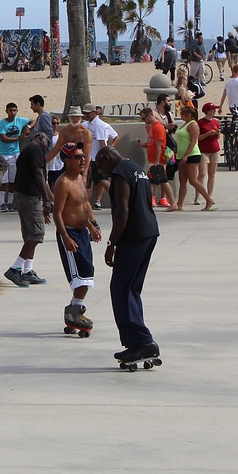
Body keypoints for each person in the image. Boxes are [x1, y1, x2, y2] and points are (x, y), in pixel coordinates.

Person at [95, 145, 161, 365]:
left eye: (100, 165)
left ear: (106, 158)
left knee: (121, 288)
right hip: (149, 232)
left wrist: (112, 243)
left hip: (133, 236)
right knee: (132, 288)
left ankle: (143, 341)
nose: (101, 171)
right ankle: (137, 343)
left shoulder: (120, 172)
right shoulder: (135, 168)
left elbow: (123, 210)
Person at [53, 141, 102, 334]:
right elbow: (58, 213)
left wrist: (91, 226)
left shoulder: (81, 179)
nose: (82, 160)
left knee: (88, 272)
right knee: (81, 276)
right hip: (70, 233)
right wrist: (65, 237)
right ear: (66, 160)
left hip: (82, 232)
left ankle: (74, 311)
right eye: (77, 157)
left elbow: (84, 205)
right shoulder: (63, 183)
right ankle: (74, 311)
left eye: (83, 156)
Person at [4, 131, 52, 287]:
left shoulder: (27, 149)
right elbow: (38, 173)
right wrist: (46, 200)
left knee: (30, 234)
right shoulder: (36, 149)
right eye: (47, 144)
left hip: (22, 195)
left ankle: (28, 270)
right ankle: (15, 268)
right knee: (37, 234)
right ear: (41, 138)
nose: (46, 148)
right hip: (30, 197)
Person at [173, 106, 214, 211]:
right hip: (181, 155)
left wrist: (186, 155)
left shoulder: (193, 124)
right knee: (182, 181)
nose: (181, 116)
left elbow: (193, 141)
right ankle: (180, 204)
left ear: (189, 115)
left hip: (191, 155)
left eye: (183, 114)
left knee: (193, 180)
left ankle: (208, 200)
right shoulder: (184, 124)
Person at [81, 104, 119, 209]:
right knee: (94, 181)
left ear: (94, 113)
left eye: (87, 113)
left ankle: (118, 196)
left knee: (98, 181)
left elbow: (103, 144)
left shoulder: (98, 125)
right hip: (92, 158)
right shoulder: (88, 124)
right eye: (84, 113)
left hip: (96, 159)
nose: (86, 115)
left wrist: (104, 159)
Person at [137, 106, 176, 209]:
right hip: (154, 159)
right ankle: (150, 202)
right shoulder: (153, 127)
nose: (144, 121)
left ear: (149, 116)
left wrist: (156, 161)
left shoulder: (157, 127)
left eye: (144, 118)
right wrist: (143, 145)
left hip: (157, 160)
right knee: (154, 182)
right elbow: (152, 143)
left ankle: (172, 203)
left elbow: (159, 145)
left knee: (162, 181)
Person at [0, 102, 30, 212]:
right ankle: (2, 203)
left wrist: (28, 127)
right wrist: (18, 138)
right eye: (11, 110)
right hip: (3, 154)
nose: (13, 113)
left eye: (15, 110)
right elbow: (3, 138)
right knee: (3, 180)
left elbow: (34, 120)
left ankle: (10, 203)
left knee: (13, 180)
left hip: (15, 154)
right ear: (6, 111)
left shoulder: (20, 120)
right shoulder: (2, 123)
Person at [197, 102, 223, 203]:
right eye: (212, 110)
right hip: (203, 150)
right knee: (202, 174)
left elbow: (217, 136)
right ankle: (198, 196)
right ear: (207, 111)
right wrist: (208, 134)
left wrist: (217, 133)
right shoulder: (200, 123)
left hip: (214, 149)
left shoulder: (216, 122)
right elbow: (198, 138)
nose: (214, 111)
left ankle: (209, 196)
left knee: (212, 174)